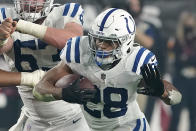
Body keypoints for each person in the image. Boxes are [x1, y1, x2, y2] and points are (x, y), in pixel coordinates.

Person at [33, 8, 182, 131]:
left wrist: (161, 90)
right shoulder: (79, 51)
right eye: (97, 39)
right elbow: (39, 89)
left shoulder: (136, 61)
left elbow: (176, 98)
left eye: (109, 42)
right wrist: (63, 93)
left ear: (126, 42)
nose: (101, 45)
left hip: (129, 126)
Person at [0, 0, 92, 131]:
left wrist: (25, 26)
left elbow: (73, 40)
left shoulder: (66, 12)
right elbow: (5, 44)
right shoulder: (5, 15)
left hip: (72, 120)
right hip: (34, 119)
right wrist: (2, 38)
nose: (30, 1)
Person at [168, 11, 196, 131]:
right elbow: (174, 59)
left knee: (193, 114)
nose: (189, 24)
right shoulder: (176, 40)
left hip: (194, 80)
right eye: (187, 22)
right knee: (176, 113)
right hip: (180, 79)